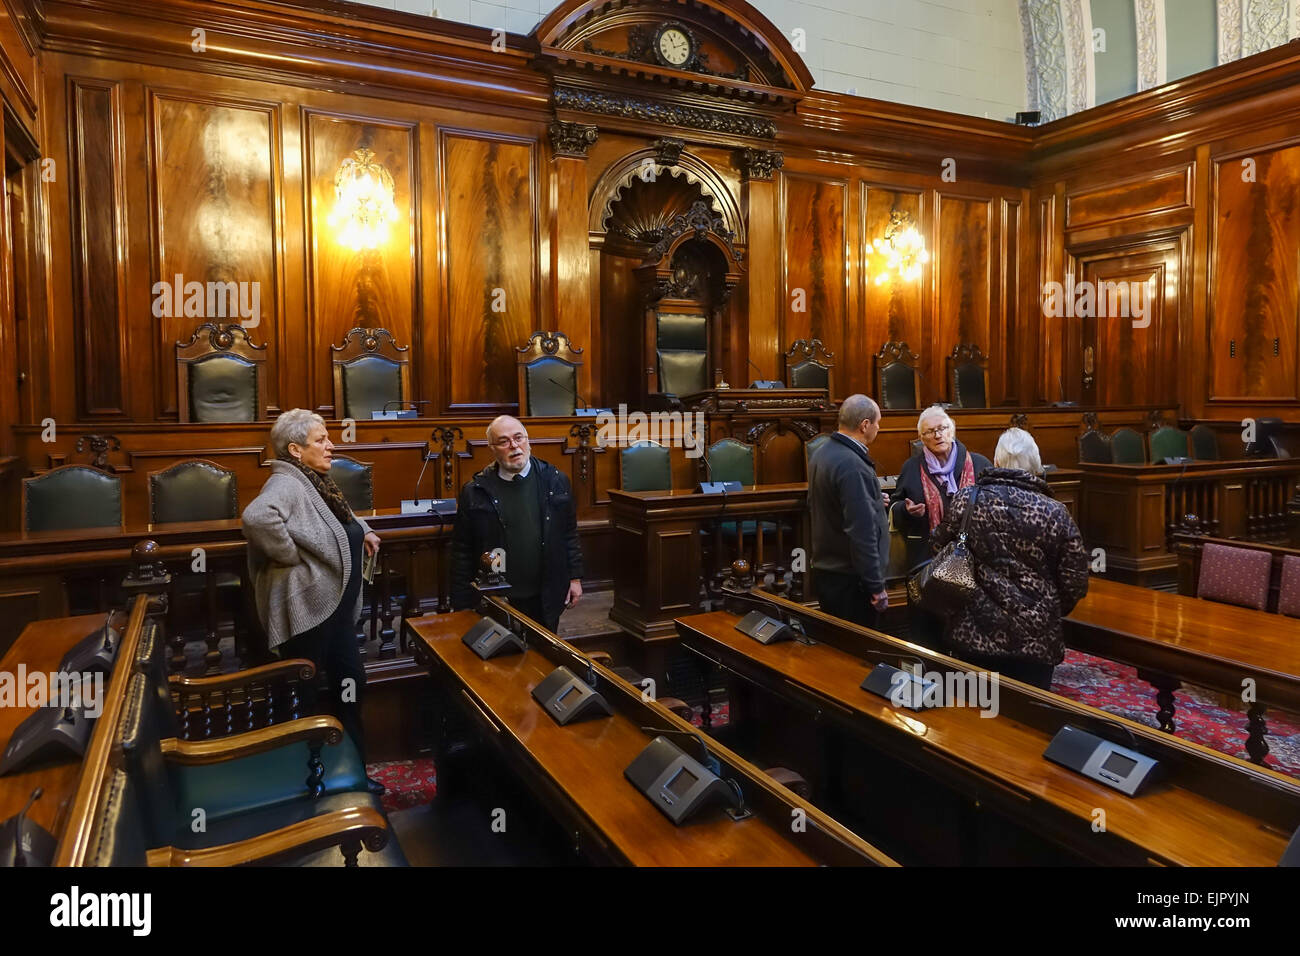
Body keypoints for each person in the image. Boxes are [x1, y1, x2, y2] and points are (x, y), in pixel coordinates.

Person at [241, 409, 384, 794]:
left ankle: (352, 774)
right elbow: (257, 518)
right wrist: (290, 556)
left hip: (334, 615)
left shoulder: (318, 482)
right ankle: (300, 784)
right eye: (320, 439)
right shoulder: (286, 483)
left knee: (351, 685)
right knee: (301, 697)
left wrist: (365, 531)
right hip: (309, 611)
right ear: (295, 450)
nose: (330, 444)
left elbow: (339, 520)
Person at [929, 428, 1089, 690]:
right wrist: (1048, 609)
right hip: (1035, 640)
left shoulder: (968, 500)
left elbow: (937, 545)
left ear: (998, 461)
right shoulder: (1055, 512)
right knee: (1028, 720)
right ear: (1035, 464)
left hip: (973, 632)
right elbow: (1075, 579)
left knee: (974, 716)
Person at [450, 415, 583, 633]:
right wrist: (461, 602)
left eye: (518, 438)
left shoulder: (555, 480)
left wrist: (575, 578)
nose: (514, 446)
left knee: (542, 660)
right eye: (504, 441)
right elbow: (462, 549)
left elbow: (569, 533)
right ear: (492, 448)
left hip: (545, 594)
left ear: (528, 440)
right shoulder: (475, 491)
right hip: (497, 597)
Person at [891, 405, 991, 649]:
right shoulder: (911, 468)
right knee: (927, 632)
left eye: (943, 429)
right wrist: (906, 510)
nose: (938, 435)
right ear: (922, 438)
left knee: (966, 629)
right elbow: (894, 506)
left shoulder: (979, 464)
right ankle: (928, 676)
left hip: (974, 563)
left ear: (953, 430)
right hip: (926, 563)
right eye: (930, 432)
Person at [807, 394, 891, 629]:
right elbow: (861, 531)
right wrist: (876, 585)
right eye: (877, 422)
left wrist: (873, 501)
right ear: (865, 425)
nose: (878, 428)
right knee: (857, 658)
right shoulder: (852, 464)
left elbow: (831, 503)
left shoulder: (822, 452)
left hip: (829, 573)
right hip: (852, 581)